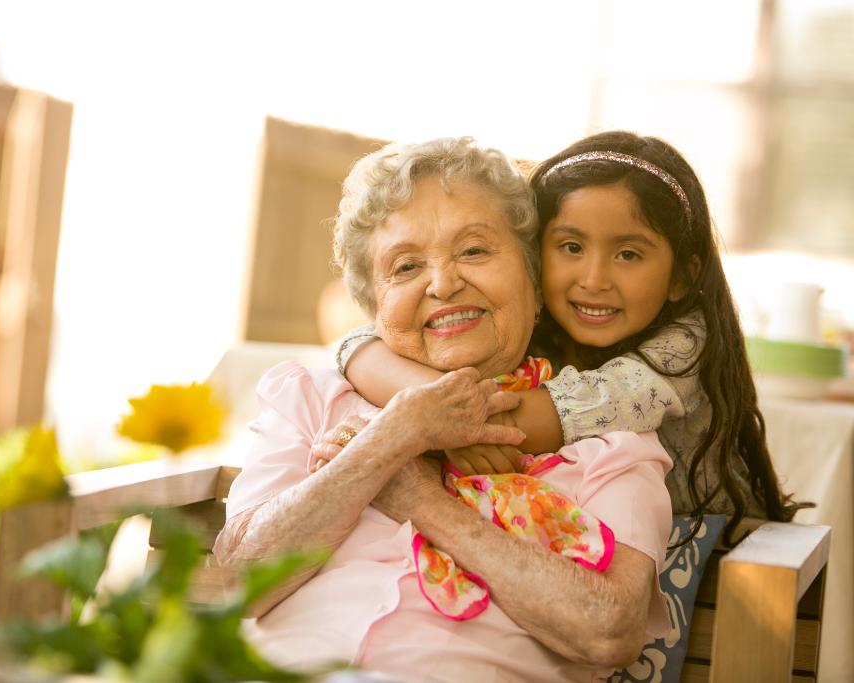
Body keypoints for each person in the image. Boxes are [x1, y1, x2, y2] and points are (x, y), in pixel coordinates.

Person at [214, 137, 674, 682]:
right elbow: (244, 582)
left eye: (474, 251)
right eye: (405, 267)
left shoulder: (609, 445)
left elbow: (608, 631)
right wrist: (390, 439)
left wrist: (418, 499)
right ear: (374, 306)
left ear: (533, 280)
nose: (443, 283)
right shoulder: (313, 399)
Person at [331, 131, 805, 543]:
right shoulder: (536, 321)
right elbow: (357, 345)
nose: (593, 278)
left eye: (628, 254)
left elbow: (526, 421)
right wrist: (430, 410)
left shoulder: (682, 351)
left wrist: (437, 421)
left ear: (682, 275)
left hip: (709, 567)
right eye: (571, 247)